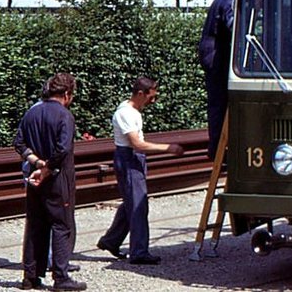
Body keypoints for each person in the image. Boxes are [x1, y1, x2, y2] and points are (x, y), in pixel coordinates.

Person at [96, 76, 185, 266]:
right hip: (129, 158)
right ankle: (138, 251)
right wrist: (167, 148)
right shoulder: (126, 114)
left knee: (132, 203)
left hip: (132, 158)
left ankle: (111, 240)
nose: (153, 101)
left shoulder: (133, 111)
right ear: (140, 94)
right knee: (138, 206)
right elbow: (137, 144)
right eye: (151, 97)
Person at [12, 72, 86, 291]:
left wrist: (36, 163)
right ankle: (61, 277)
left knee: (35, 225)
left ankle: (30, 276)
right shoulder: (65, 116)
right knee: (62, 225)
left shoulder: (31, 113)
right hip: (58, 179)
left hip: (35, 178)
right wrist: (47, 169)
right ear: (66, 93)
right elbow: (63, 149)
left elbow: (19, 142)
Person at [198, 0, 234, 159]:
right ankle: (218, 149)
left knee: (217, 103)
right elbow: (233, 26)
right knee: (220, 103)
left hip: (212, 55)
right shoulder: (229, 0)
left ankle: (217, 147)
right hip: (216, 57)